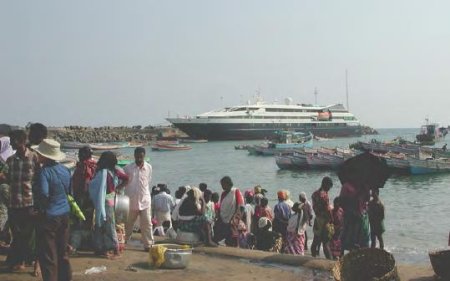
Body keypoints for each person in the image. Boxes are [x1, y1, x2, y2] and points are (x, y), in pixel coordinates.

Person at [33, 139, 72, 281]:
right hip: (65, 214)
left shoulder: (44, 172)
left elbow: (44, 193)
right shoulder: (65, 170)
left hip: (50, 217)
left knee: (49, 256)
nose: (37, 155)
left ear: (45, 156)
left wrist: (40, 209)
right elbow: (69, 191)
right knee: (63, 253)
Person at [5, 130, 40, 271]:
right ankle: (21, 260)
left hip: (29, 203)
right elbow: (7, 178)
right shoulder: (10, 160)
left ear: (21, 141)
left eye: (13, 141)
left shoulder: (34, 157)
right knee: (17, 235)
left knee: (28, 234)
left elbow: (38, 180)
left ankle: (26, 260)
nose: (11, 144)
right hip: (14, 204)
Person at [90, 151, 128, 258]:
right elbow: (126, 178)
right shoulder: (113, 171)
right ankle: (101, 248)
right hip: (108, 200)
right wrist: (117, 189)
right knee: (101, 224)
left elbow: (95, 186)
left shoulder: (103, 172)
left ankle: (114, 249)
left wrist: (116, 189)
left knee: (107, 225)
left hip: (105, 201)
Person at [123, 147, 154, 251]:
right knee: (128, 223)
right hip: (131, 200)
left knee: (147, 223)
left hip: (145, 200)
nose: (139, 159)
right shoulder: (127, 168)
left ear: (144, 156)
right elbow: (123, 182)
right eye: (137, 156)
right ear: (134, 156)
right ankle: (124, 241)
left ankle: (148, 245)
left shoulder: (149, 167)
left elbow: (148, 181)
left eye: (141, 156)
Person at [70, 146, 96, 253]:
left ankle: (77, 243)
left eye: (80, 154)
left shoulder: (83, 166)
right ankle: (87, 243)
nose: (79, 156)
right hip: (90, 197)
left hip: (81, 196)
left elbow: (82, 183)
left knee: (79, 220)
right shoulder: (94, 165)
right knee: (88, 221)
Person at [339, 181, 371, 253]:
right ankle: (342, 255)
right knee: (347, 236)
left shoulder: (363, 187)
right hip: (350, 216)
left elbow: (367, 199)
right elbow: (342, 201)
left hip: (361, 217)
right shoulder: (347, 186)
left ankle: (357, 254)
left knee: (359, 239)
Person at [213, 176, 244, 246]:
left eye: (223, 185)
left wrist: (236, 218)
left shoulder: (235, 191)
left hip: (233, 218)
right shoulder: (223, 194)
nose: (222, 186)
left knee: (233, 236)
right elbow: (221, 206)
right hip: (223, 218)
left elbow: (240, 205)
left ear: (228, 183)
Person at [311, 177, 333, 259]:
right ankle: (330, 263)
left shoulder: (315, 194)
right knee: (326, 243)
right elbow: (328, 210)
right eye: (329, 187)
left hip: (317, 219)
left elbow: (315, 208)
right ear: (325, 184)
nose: (329, 189)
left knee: (315, 241)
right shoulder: (324, 195)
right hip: (325, 220)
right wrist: (331, 220)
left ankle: (313, 259)